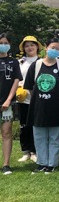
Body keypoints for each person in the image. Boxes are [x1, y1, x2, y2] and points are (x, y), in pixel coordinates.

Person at [24, 37, 59, 174]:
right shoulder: (36, 65)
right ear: (46, 47)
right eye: (52, 47)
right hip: (39, 108)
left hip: (56, 108)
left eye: (58, 49)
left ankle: (52, 164)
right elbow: (30, 88)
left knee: (55, 137)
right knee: (39, 137)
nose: (55, 50)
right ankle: (41, 163)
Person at [17, 35, 43, 163]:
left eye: (32, 45)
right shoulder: (20, 62)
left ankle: (34, 151)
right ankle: (25, 151)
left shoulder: (41, 62)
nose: (29, 48)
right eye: (26, 46)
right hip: (22, 99)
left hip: (38, 98)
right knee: (24, 126)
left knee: (35, 125)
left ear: (37, 46)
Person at [0, 33, 22, 174]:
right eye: (1, 42)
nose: (3, 45)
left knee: (6, 133)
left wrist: (8, 100)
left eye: (5, 42)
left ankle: (6, 164)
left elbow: (16, 81)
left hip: (7, 103)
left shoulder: (13, 62)